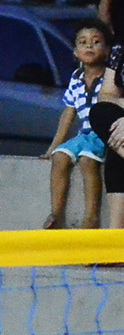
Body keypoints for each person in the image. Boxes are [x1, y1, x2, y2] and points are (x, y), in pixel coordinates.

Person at [41, 20, 109, 230]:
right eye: (83, 42)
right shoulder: (76, 78)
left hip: (103, 133)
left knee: (88, 160)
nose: (89, 46)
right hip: (84, 133)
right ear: (75, 52)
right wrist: (53, 147)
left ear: (107, 50)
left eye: (96, 42)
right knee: (60, 157)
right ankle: (55, 214)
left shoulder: (110, 76)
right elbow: (68, 113)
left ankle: (91, 217)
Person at [84, 31, 124, 230]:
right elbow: (106, 94)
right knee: (101, 114)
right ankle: (117, 238)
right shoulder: (120, 48)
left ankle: (116, 234)